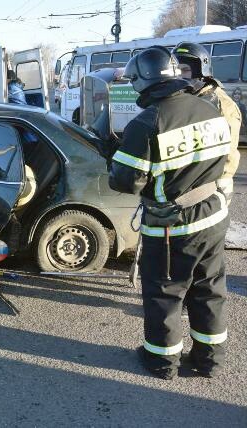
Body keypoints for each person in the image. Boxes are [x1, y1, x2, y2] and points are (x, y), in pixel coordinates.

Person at [109, 46, 231, 380]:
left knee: (165, 294)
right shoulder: (210, 108)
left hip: (173, 228)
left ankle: (162, 362)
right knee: (209, 291)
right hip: (214, 217)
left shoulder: (148, 122)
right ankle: (210, 362)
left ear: (142, 81)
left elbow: (125, 181)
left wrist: (118, 156)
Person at [173, 42, 241, 204]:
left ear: (200, 71)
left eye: (185, 70)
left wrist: (218, 186)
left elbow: (229, 153)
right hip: (187, 182)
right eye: (176, 71)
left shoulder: (222, 104)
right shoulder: (184, 98)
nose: (179, 76)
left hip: (211, 184)